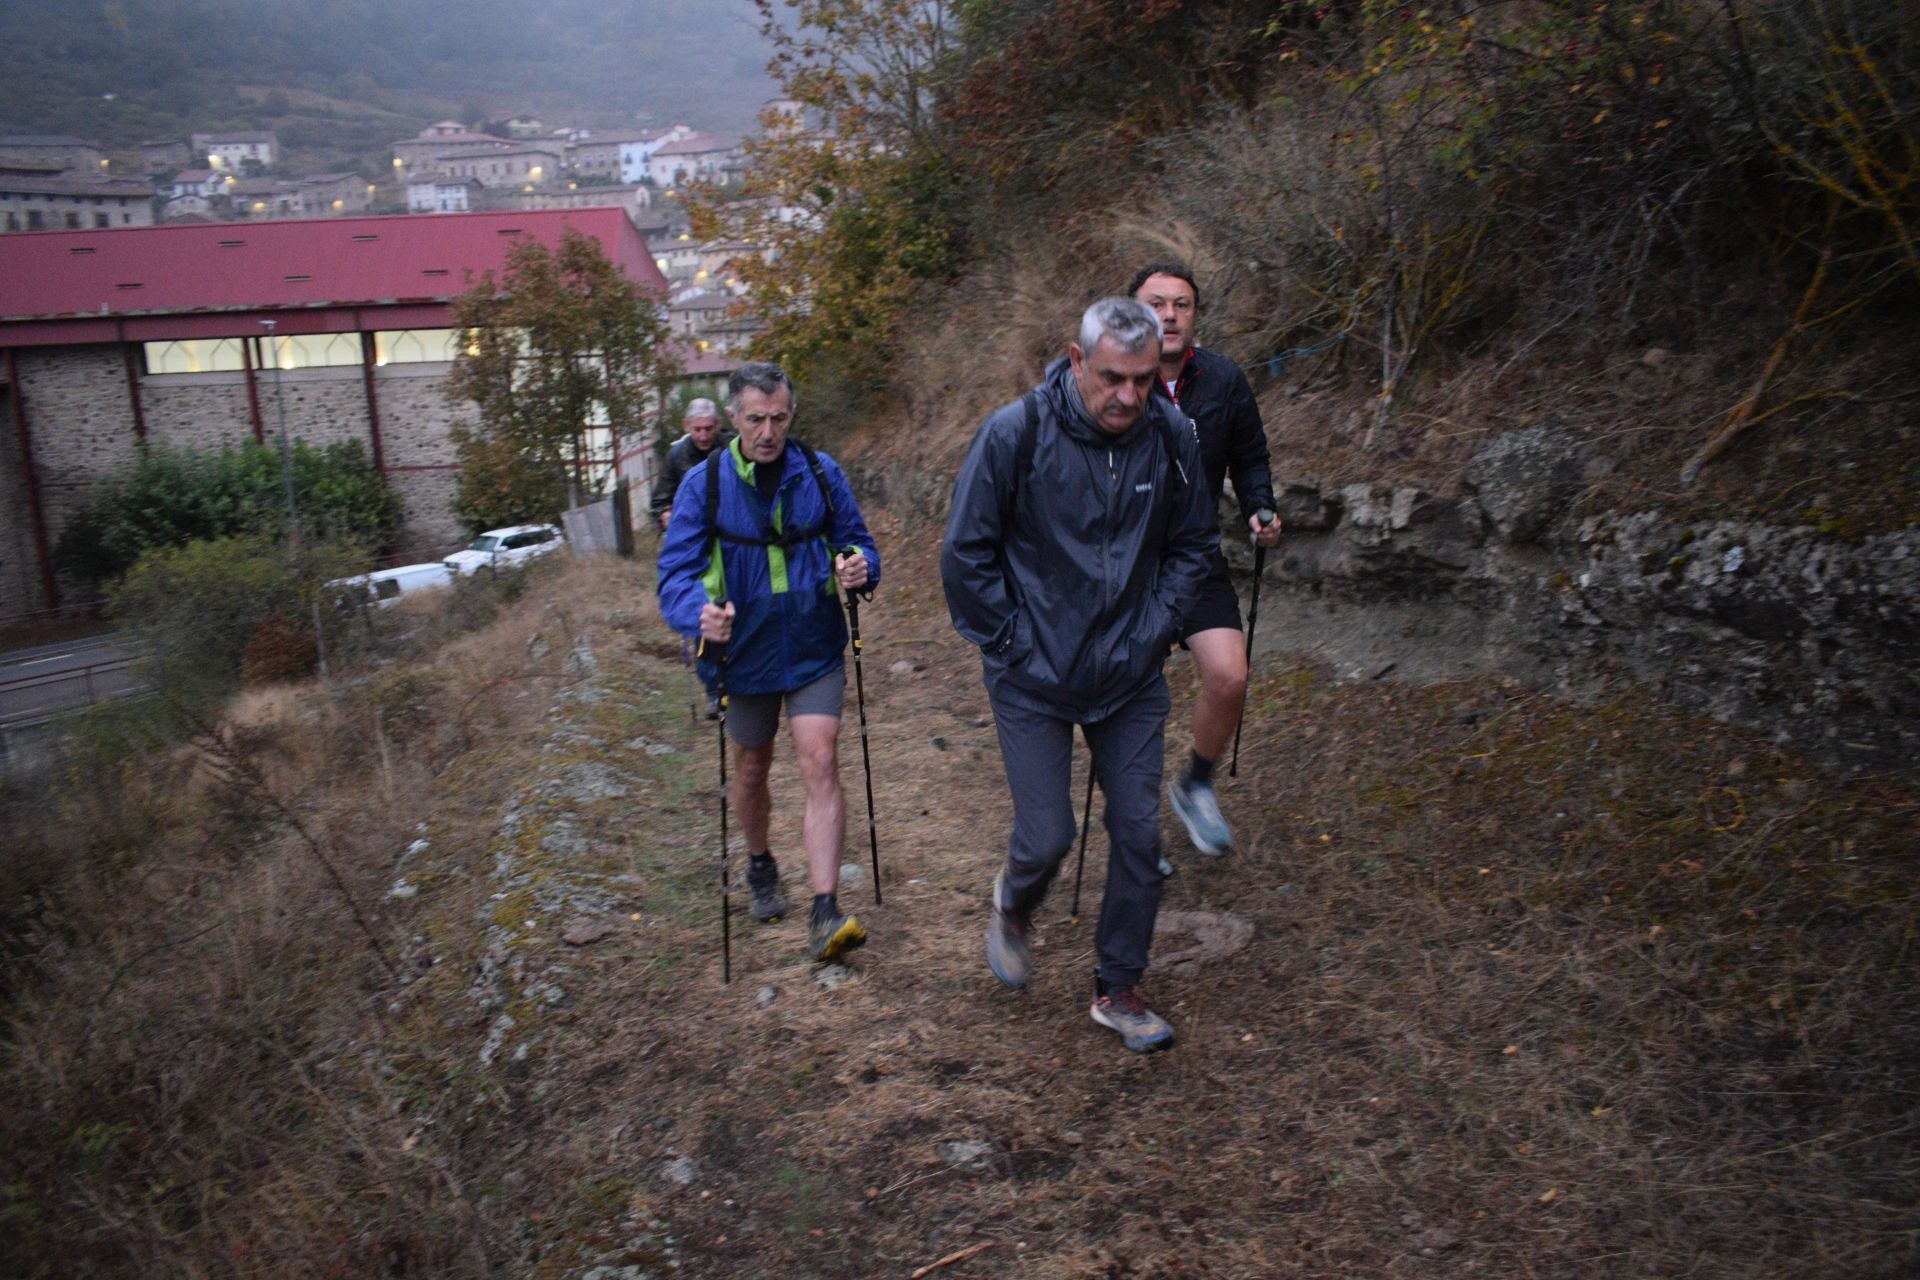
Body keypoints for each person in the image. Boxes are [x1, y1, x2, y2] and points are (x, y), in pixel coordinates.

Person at [941, 297, 1217, 1052]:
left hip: (1128, 674)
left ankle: (1118, 987)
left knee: (1137, 833)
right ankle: (1015, 902)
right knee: (1047, 835)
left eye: (1144, 377)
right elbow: (965, 553)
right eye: (1112, 378)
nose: (1129, 395)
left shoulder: (1170, 436)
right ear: (1074, 360)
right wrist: (1014, 642)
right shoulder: (1015, 434)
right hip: (1032, 674)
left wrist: (1157, 626)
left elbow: (1195, 544)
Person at [657, 363, 881, 963]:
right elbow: (673, 576)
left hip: (812, 643)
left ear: (791, 414)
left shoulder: (820, 472)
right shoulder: (702, 486)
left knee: (822, 758)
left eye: (779, 417)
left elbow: (857, 541)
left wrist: (858, 565)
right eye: (756, 418)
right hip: (743, 651)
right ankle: (759, 864)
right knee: (752, 767)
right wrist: (697, 612)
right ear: (734, 419)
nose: (768, 431)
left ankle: (825, 908)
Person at [1128, 263, 1282, 859]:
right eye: (1156, 303)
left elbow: (1249, 456)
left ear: (1195, 314)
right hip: (1125, 564)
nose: (1168, 315)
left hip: (1194, 555)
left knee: (1230, 676)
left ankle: (1194, 784)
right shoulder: (1111, 378)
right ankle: (1134, 823)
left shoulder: (1223, 379)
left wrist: (1259, 506)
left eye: (1182, 304)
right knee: (1133, 694)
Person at [648, 398, 732, 531]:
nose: (703, 436)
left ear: (718, 424)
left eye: (708, 429)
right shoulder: (676, 456)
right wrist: (665, 514)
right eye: (697, 429)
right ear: (686, 426)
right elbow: (660, 501)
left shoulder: (732, 449)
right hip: (692, 530)